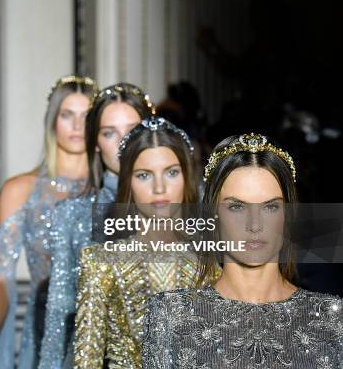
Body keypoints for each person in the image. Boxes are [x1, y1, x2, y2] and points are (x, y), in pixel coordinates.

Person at [141, 133, 343, 368]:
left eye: (270, 207)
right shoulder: (171, 316)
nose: (255, 225)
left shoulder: (332, 319)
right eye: (237, 207)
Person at [0, 75, 97, 369]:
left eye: (86, 117)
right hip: (42, 333)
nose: (77, 126)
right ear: (52, 122)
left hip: (101, 336)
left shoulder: (112, 193)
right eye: (67, 115)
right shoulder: (20, 190)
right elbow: (1, 277)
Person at [74, 117, 218, 368]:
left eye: (171, 172)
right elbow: (86, 361)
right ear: (128, 182)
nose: (160, 188)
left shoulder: (213, 260)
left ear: (187, 176)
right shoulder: (101, 263)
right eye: (144, 175)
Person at [39, 83, 155, 368]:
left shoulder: (189, 207)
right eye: (109, 132)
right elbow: (60, 315)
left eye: (132, 129)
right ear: (95, 142)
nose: (123, 142)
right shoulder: (72, 215)